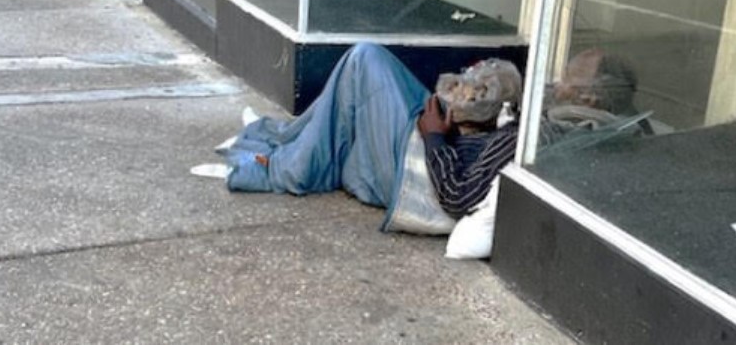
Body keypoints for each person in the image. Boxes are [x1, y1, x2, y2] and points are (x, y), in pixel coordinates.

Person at [198, 43, 649, 233]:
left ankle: (281, 162)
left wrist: (434, 135)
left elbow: (456, 195)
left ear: (591, 96)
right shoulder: (595, 124)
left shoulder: (542, 132)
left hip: (425, 170)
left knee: (364, 61)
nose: (559, 78)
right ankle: (282, 141)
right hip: (449, 144)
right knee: (352, 99)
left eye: (570, 76)